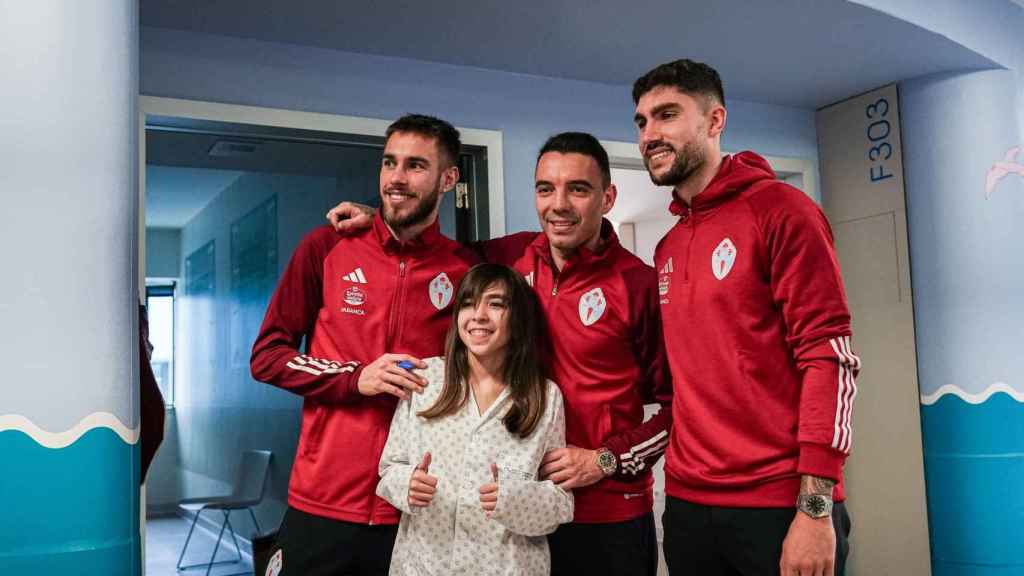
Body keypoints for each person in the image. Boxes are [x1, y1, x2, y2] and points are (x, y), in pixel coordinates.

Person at [328, 132, 672, 576]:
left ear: (608, 198)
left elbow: (677, 407)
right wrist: (383, 220)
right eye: (545, 189)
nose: (559, 204)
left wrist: (603, 459)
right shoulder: (512, 255)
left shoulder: (639, 285)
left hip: (605, 517)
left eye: (578, 189)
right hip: (513, 524)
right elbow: (437, 252)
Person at [632, 58, 859, 576]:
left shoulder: (782, 211)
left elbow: (830, 357)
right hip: (689, 506)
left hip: (779, 506)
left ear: (715, 122)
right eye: (641, 122)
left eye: (667, 115)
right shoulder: (667, 247)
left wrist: (815, 507)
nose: (650, 134)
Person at [250, 114, 479, 576]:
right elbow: (268, 356)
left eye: (416, 166)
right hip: (323, 498)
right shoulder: (325, 248)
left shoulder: (464, 270)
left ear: (448, 179)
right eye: (389, 162)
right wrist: (355, 378)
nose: (396, 178)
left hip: (414, 506)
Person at [376, 263, 572, 576]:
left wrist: (515, 499)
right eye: (468, 304)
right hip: (425, 565)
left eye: (495, 304)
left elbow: (561, 504)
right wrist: (407, 484)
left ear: (518, 318)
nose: (478, 315)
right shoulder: (425, 381)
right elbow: (389, 470)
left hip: (507, 568)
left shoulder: (545, 398)